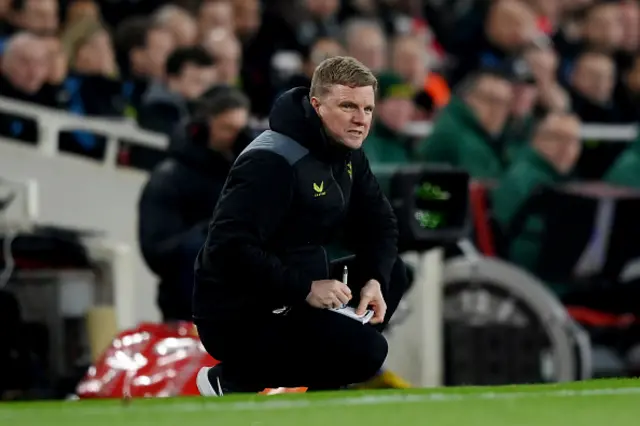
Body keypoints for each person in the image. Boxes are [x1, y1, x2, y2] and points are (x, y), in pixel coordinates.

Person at [193, 56, 409, 394]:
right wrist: (304, 287)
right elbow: (229, 248)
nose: (360, 120)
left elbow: (381, 224)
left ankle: (321, 398)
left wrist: (375, 281)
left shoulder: (349, 151)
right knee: (368, 352)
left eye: (368, 109)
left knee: (393, 272)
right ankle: (235, 379)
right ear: (317, 106)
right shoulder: (272, 160)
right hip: (239, 311)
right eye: (348, 106)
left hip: (294, 290)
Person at [138, 86, 252, 321]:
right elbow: (157, 249)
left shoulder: (248, 175)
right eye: (226, 128)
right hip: (186, 304)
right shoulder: (170, 177)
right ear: (206, 124)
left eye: (240, 131)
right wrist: (209, 234)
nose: (233, 138)